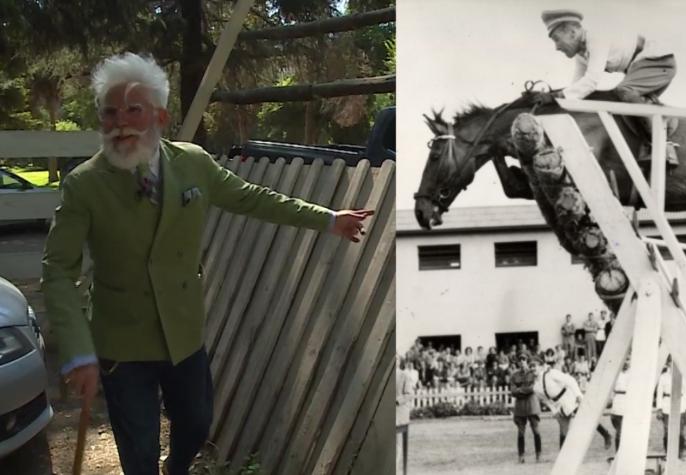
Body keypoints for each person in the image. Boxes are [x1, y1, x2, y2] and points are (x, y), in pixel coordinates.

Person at [42, 53, 373, 475]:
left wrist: (327, 219)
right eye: (109, 113)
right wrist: (77, 352)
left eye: (133, 110)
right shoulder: (84, 185)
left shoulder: (194, 163)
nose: (120, 122)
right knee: (138, 450)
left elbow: (253, 198)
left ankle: (175, 468)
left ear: (160, 116)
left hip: (184, 332)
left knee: (197, 425)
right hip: (121, 345)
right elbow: (58, 270)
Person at [539, 9, 678, 165]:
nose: (556, 47)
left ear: (572, 32)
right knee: (618, 96)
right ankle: (656, 124)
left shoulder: (596, 38)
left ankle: (663, 143)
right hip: (641, 67)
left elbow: (591, 81)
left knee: (623, 92)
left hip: (659, 61)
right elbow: (577, 89)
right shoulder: (581, 55)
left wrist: (558, 96)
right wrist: (556, 98)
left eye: (557, 39)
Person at [656, 361, 686, 456]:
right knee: (667, 430)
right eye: (671, 362)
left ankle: (679, 453)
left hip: (680, 404)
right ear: (668, 363)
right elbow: (659, 393)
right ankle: (668, 453)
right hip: (666, 405)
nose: (673, 364)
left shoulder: (683, 375)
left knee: (680, 430)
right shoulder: (663, 376)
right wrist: (659, 408)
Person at [510, 353, 543, 463]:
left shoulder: (533, 374)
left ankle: (538, 455)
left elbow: (533, 388)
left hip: (531, 404)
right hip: (520, 406)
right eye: (520, 360)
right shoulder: (514, 376)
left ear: (527, 361)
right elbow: (513, 391)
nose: (522, 361)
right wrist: (523, 390)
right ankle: (521, 456)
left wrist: (520, 390)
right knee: (520, 432)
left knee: (536, 430)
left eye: (524, 359)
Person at [396, 356, 414, 475]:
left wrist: (397, 400)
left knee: (397, 444)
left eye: (396, 359)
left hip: (399, 413)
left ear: (399, 362)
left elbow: (409, 394)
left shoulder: (404, 375)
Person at [610, 359, 630, 451]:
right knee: (619, 431)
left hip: (628, 403)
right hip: (617, 404)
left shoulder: (632, 374)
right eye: (624, 360)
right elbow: (611, 390)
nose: (626, 362)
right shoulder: (616, 374)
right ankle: (618, 453)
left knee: (624, 432)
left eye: (628, 360)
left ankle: (625, 453)